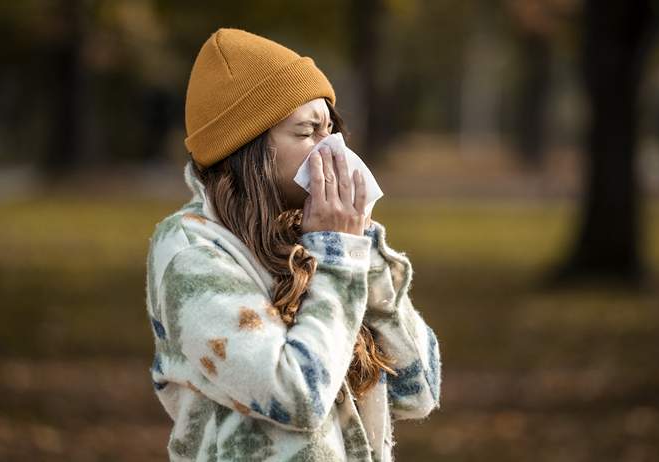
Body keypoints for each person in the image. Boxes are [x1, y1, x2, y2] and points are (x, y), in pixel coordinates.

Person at [145, 28, 441, 462]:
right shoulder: (191, 252)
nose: (333, 151)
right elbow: (297, 394)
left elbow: (417, 390)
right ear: (247, 150)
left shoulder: (313, 239)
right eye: (307, 133)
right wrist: (338, 255)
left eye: (331, 130)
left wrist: (363, 252)